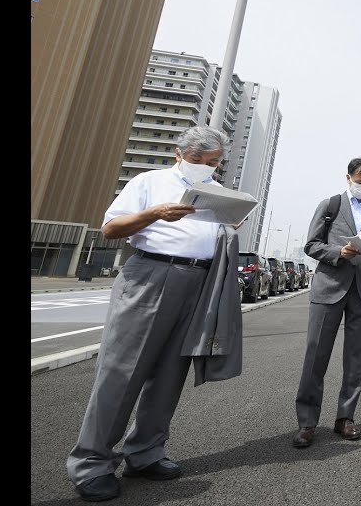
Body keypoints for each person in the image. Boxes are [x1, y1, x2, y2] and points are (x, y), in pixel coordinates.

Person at [67, 126, 240, 502]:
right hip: (151, 274)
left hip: (200, 282)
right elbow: (111, 228)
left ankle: (145, 452)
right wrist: (155, 214)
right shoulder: (150, 182)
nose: (205, 168)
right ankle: (91, 463)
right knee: (121, 371)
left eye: (213, 163)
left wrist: (230, 226)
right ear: (179, 154)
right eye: (198, 160)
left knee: (169, 373)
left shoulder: (219, 193)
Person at [292, 157, 361, 448]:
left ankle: (345, 418)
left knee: (356, 358)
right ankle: (307, 422)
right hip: (330, 287)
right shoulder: (330, 205)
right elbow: (311, 245)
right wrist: (339, 252)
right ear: (348, 177)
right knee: (315, 357)